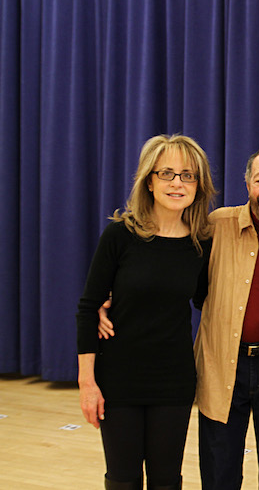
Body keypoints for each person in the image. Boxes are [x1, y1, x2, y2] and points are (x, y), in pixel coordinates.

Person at [98, 146, 259, 489]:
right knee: (219, 472)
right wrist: (109, 301)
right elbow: (170, 274)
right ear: (247, 184)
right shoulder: (214, 227)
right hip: (222, 364)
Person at [77, 134, 216, 490]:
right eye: (166, 173)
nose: (177, 183)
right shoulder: (120, 235)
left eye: (188, 175)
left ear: (199, 185)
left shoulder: (201, 243)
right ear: (149, 180)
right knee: (123, 480)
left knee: (166, 480)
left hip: (173, 380)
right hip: (119, 379)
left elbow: (207, 300)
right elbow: (88, 308)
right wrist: (87, 383)